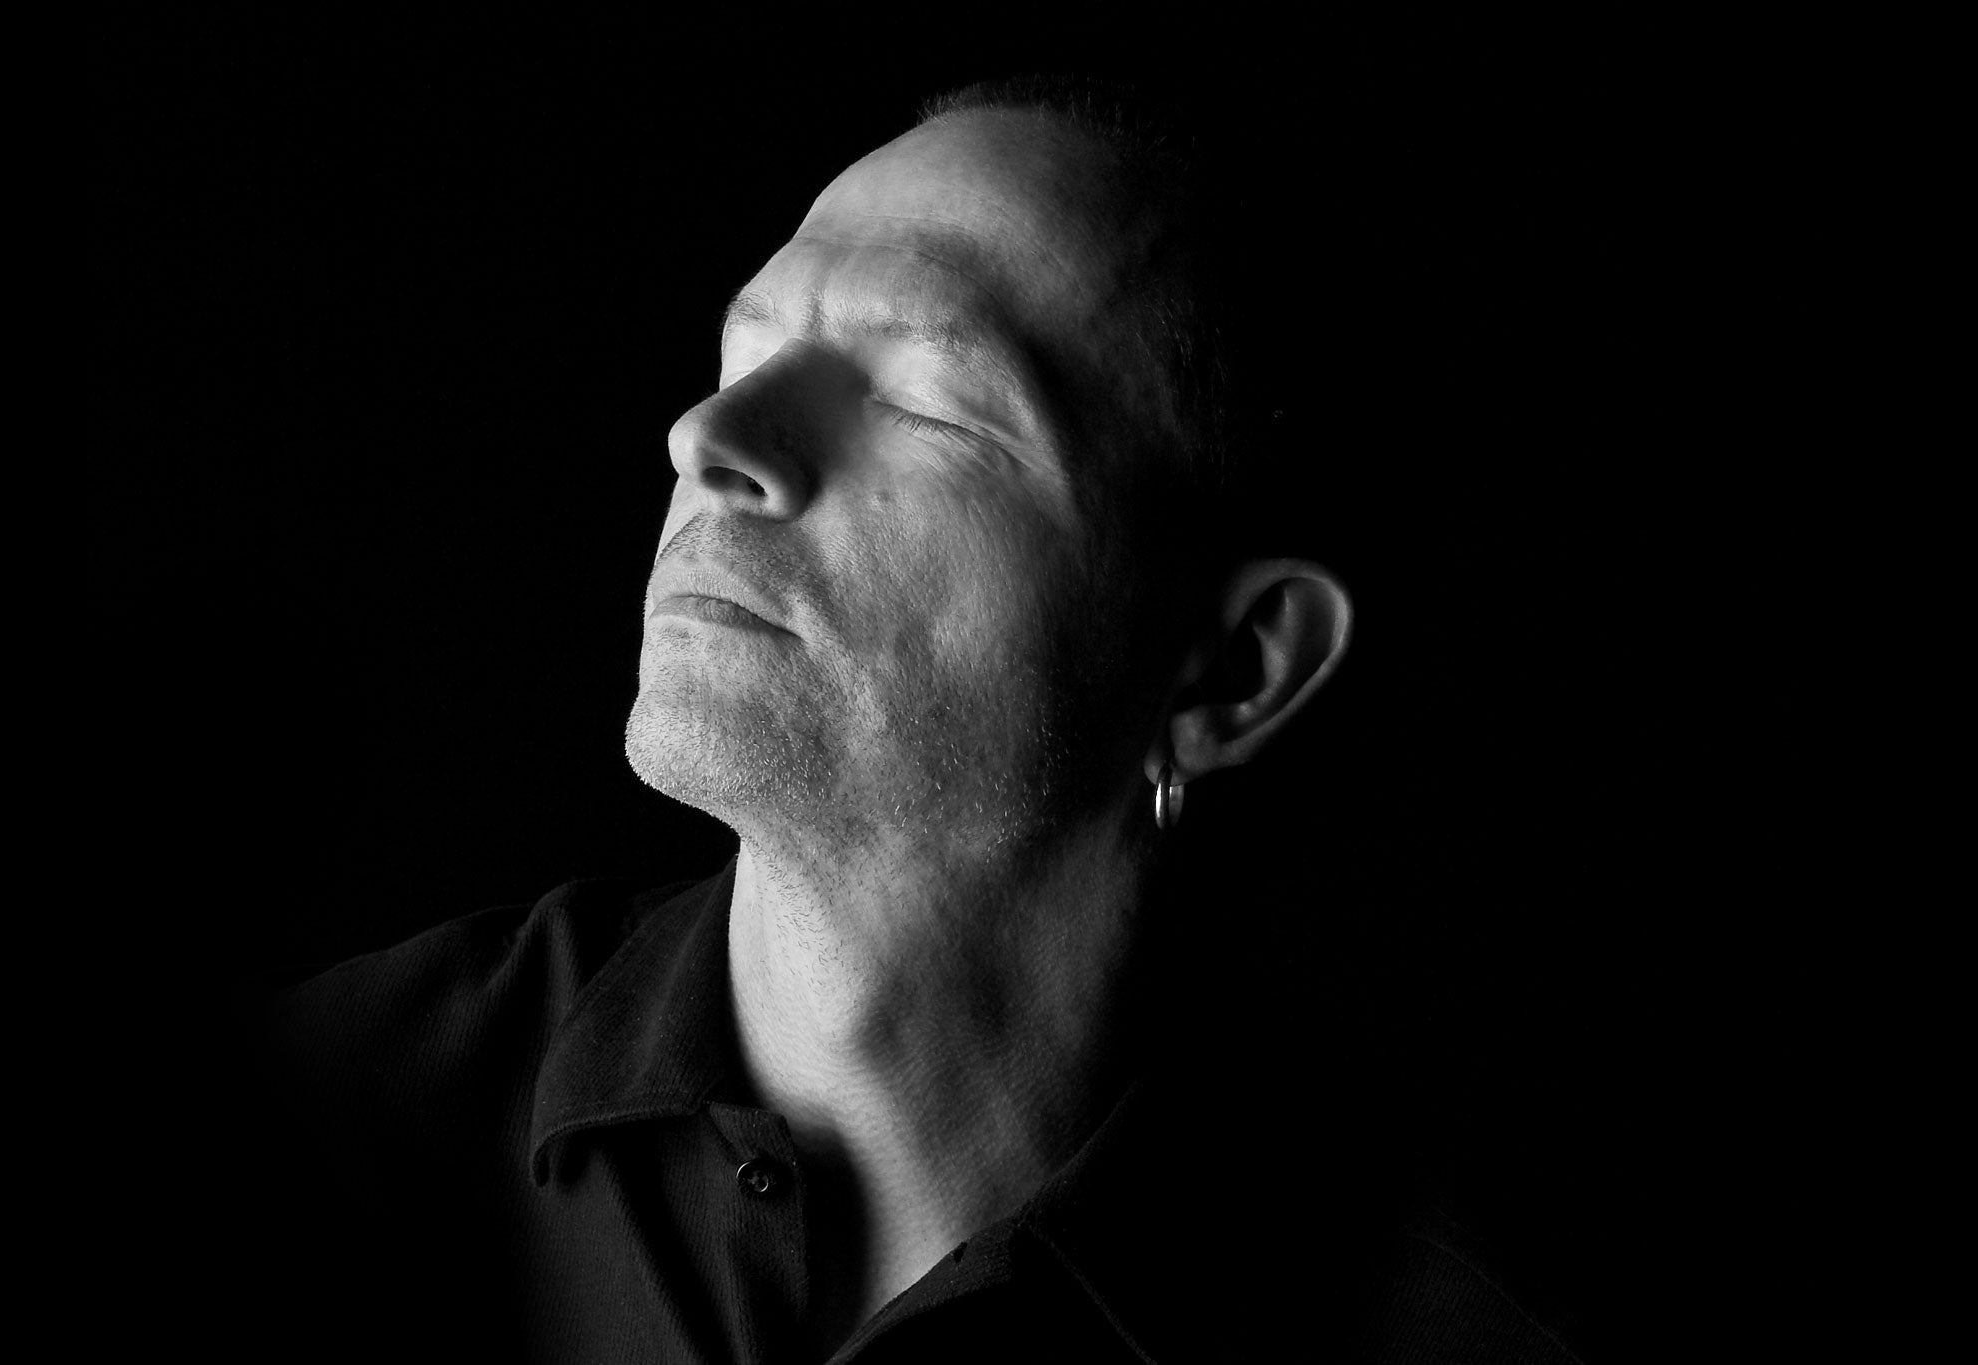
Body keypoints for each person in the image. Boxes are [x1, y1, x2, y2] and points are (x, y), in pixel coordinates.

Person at [256, 76, 1582, 1363]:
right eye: (746, 352)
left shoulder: (1458, 1324)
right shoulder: (313, 1130)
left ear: (1229, 671)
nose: (709, 434)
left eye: (917, 399)